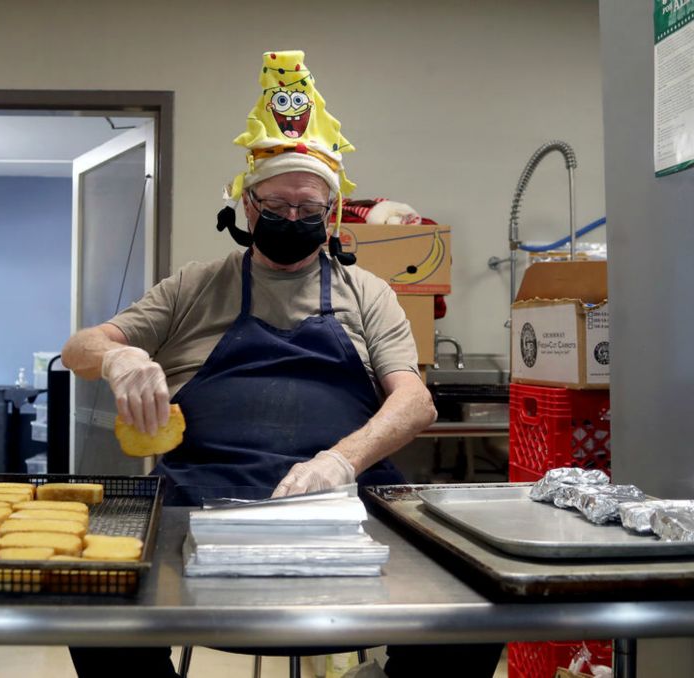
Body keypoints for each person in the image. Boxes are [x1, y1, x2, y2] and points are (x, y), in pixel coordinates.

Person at [62, 49, 501, 678]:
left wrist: (341, 461)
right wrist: (121, 356)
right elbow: (80, 346)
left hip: (347, 503)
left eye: (308, 211)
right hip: (201, 504)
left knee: (470, 616)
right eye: (276, 209)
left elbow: (415, 401)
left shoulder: (366, 292)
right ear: (246, 208)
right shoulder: (195, 285)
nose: (292, 221)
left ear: (330, 217)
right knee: (95, 610)